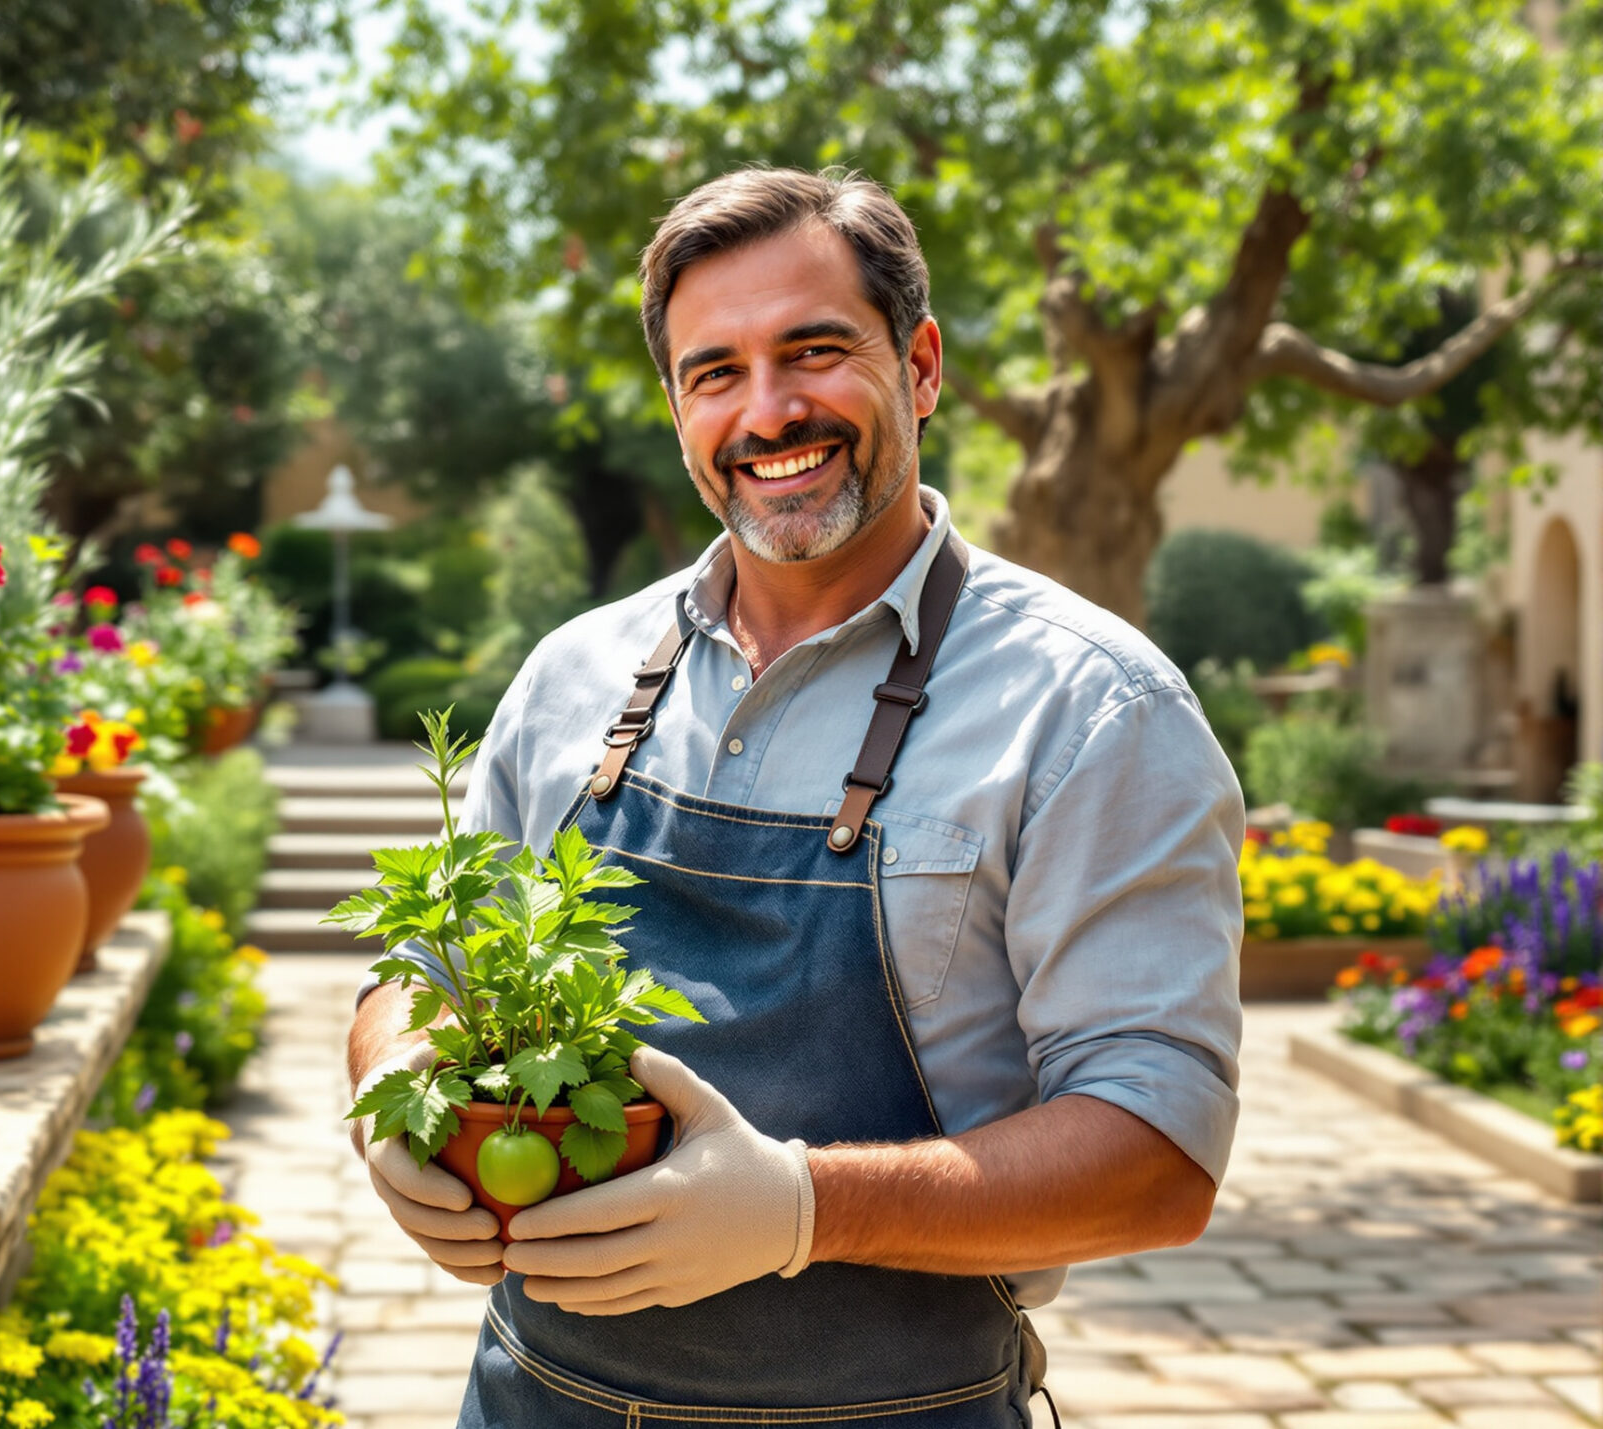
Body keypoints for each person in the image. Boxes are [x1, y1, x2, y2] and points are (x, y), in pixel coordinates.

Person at [344, 166, 1244, 1427]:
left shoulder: (1090, 708)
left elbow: (1158, 1156)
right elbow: (419, 959)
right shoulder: (573, 676)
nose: (767, 413)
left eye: (813, 351)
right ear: (675, 407)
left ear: (920, 366)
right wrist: (398, 1085)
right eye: (715, 372)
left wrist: (808, 1207)